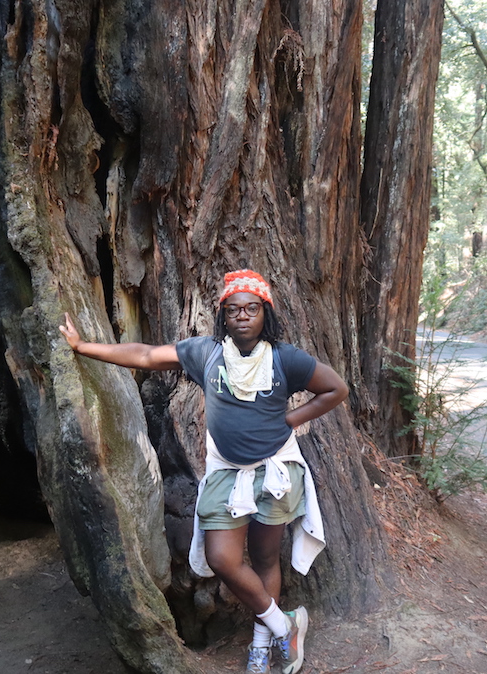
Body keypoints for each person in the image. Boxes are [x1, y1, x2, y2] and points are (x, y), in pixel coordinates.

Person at [58, 269, 348, 674]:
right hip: (227, 474)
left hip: (274, 473)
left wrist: (291, 419)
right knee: (222, 558)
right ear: (223, 317)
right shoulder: (206, 353)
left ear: (266, 313)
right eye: (233, 310)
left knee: (266, 558)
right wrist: (83, 346)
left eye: (252, 308)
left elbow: (336, 389)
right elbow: (145, 355)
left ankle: (263, 642)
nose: (243, 316)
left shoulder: (285, 358)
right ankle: (286, 625)